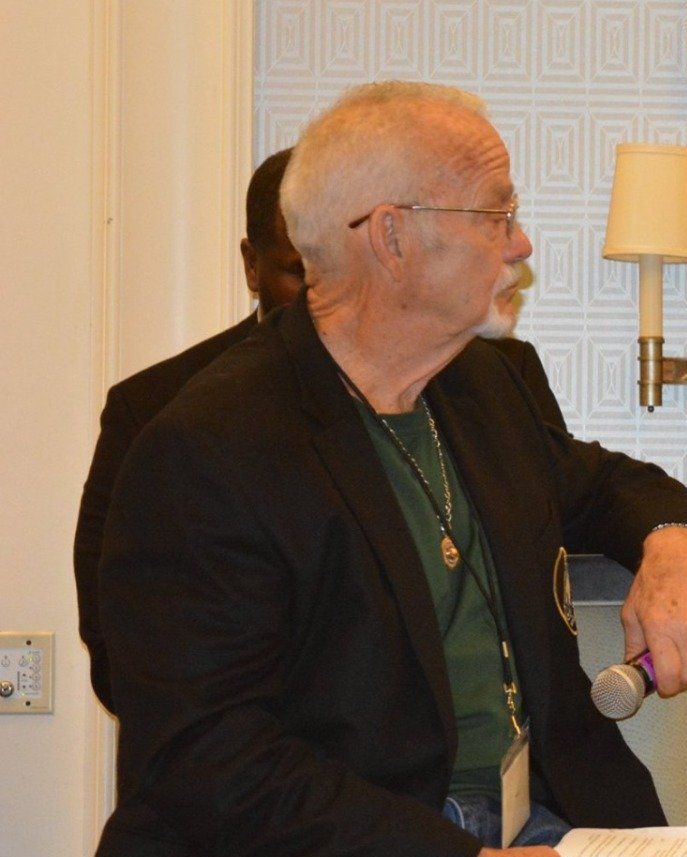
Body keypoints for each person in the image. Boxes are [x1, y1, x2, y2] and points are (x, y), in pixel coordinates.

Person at [81, 81, 687, 857]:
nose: (521, 245)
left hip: (527, 827)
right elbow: (208, 755)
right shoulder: (212, 444)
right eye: (496, 215)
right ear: (390, 238)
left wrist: (678, 541)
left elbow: (608, 483)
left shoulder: (490, 386)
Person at [74, 149, 568, 713]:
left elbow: (579, 493)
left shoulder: (481, 374)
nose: (316, 295)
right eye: (295, 271)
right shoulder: (160, 410)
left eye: (330, 269)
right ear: (251, 266)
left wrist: (679, 534)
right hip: (298, 771)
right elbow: (121, 660)